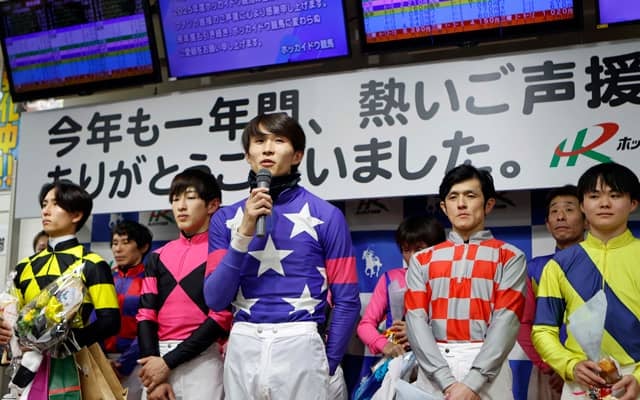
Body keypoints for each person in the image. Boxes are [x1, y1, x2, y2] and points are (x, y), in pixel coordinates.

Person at [204, 112, 361, 400]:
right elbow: (215, 298)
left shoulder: (327, 215)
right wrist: (243, 233)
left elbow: (347, 300)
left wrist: (327, 363)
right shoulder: (224, 219)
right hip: (243, 342)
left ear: (297, 155)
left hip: (302, 343)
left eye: (278, 140)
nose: (267, 149)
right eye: (259, 141)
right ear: (248, 155)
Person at [404, 164, 527, 399]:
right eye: (453, 197)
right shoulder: (422, 260)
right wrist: (446, 380)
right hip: (434, 368)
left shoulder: (511, 256)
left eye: (470, 195)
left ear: (488, 204)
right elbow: (415, 321)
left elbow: (506, 322)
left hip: (489, 371)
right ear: (444, 206)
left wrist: (472, 383)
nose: (461, 204)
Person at [532, 163, 640, 400]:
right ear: (582, 205)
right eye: (594, 196)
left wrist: (639, 378)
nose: (604, 203)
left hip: (635, 380)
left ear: (633, 203)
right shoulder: (559, 264)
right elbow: (543, 330)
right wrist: (570, 365)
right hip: (580, 380)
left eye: (615, 195)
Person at [12, 180, 120, 389]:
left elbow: (111, 321)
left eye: (56, 204)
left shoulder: (93, 263)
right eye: (44, 204)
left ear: (76, 215)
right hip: (25, 366)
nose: (46, 211)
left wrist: (66, 343)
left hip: (74, 367)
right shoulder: (24, 266)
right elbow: (14, 316)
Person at [136, 167, 232, 400]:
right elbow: (146, 314)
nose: (180, 206)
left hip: (203, 362)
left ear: (212, 205)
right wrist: (155, 373)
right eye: (175, 199)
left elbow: (221, 317)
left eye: (190, 197)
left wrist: (167, 363)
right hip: (156, 363)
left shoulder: (224, 253)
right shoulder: (157, 256)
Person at [516, 185, 586, 400]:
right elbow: (523, 323)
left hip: (594, 368)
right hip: (548, 374)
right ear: (547, 223)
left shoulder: (602, 266)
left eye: (569, 209)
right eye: (554, 211)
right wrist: (551, 366)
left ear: (587, 219)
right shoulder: (534, 268)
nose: (560, 217)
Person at [357, 215, 445, 359]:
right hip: (399, 361)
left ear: (438, 248)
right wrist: (385, 345)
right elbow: (365, 325)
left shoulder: (449, 280)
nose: (413, 257)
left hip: (439, 360)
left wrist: (417, 332)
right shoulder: (391, 279)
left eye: (419, 249)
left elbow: (461, 329)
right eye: (406, 250)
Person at [105, 220, 153, 400]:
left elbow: (149, 327)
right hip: (103, 362)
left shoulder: (150, 279)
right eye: (115, 243)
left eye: (126, 242)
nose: (118, 249)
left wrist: (123, 364)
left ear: (143, 247)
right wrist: (101, 359)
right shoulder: (106, 279)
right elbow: (95, 321)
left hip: (137, 363)